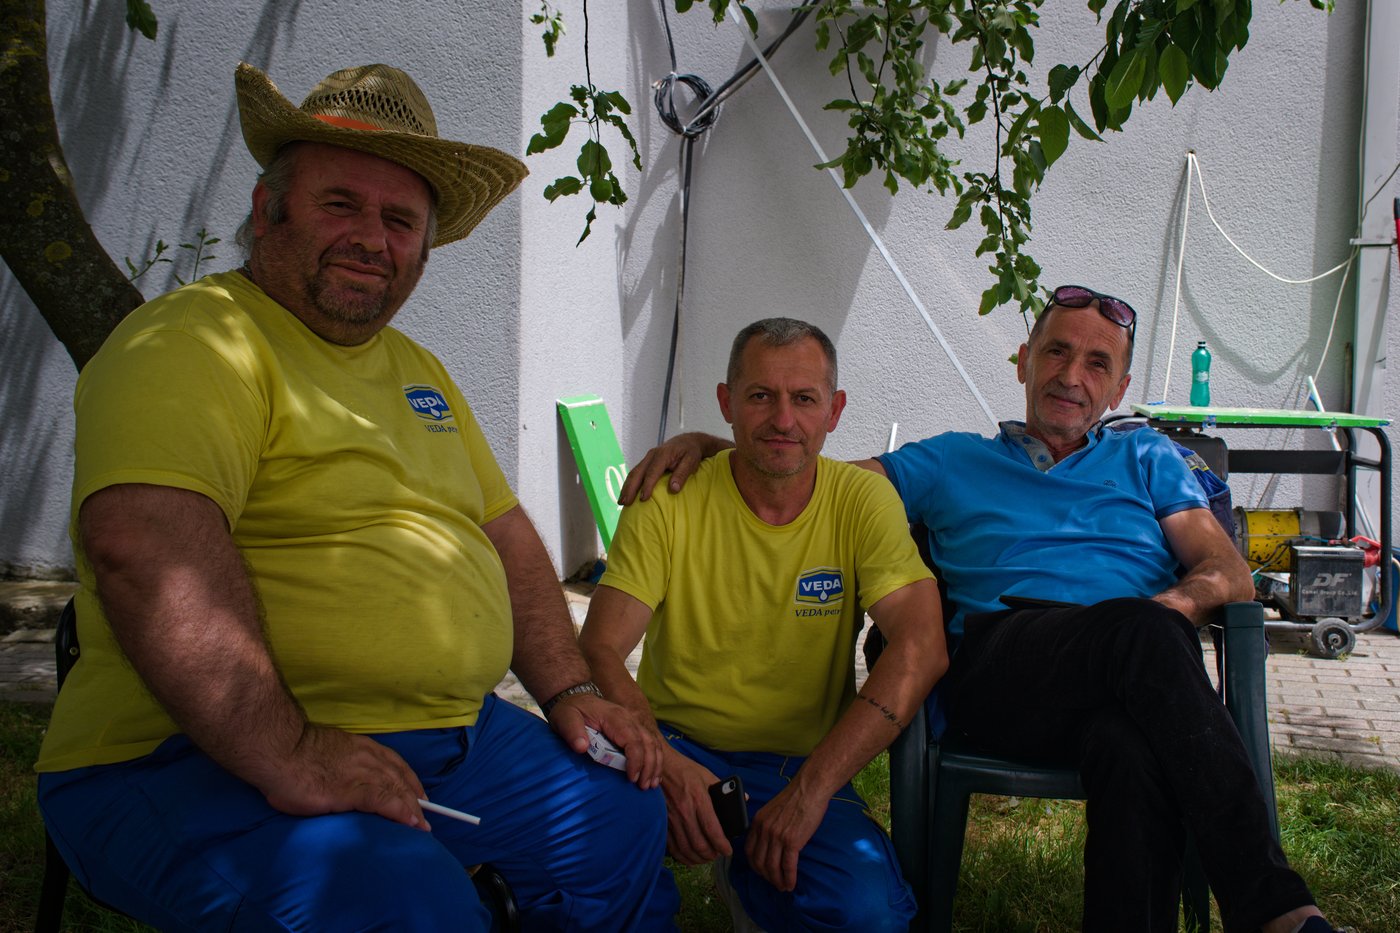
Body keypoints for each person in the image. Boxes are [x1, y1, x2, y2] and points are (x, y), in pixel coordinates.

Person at [36, 62, 677, 932]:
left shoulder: (421, 373)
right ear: (270, 212)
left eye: (400, 219)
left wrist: (568, 692)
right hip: (186, 754)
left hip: (452, 740)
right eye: (342, 203)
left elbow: (508, 540)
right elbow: (144, 548)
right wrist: (290, 751)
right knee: (404, 903)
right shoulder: (197, 341)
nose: (372, 237)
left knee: (620, 816)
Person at [621, 287, 1348, 933]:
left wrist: (1160, 614)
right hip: (1003, 670)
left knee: (1130, 745)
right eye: (1056, 352)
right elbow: (802, 471)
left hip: (1136, 667)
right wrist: (713, 444)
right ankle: (1275, 909)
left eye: (1097, 363)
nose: (1071, 374)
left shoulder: (1149, 459)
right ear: (1023, 360)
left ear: (1121, 385)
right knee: (1141, 639)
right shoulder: (949, 461)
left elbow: (1227, 572)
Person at [581, 318, 948, 932]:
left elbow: (922, 648)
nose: (783, 419)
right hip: (670, 742)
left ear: (834, 410)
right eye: (760, 396)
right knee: (584, 866)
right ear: (726, 403)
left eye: (804, 398)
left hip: (794, 763)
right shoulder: (669, 495)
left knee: (870, 915)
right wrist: (662, 763)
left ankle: (756, 878)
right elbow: (597, 648)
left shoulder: (863, 500)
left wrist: (809, 795)